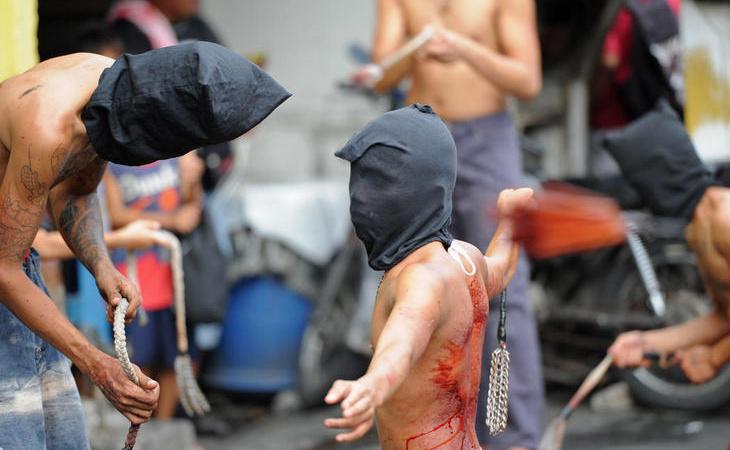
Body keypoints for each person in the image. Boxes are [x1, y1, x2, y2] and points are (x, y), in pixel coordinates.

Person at [0, 41, 289, 448]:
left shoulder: (109, 92)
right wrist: (97, 366)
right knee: (16, 431)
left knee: (58, 431)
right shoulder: (49, 126)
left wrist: (101, 265)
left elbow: (75, 191)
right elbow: (4, 269)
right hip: (7, 270)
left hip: (14, 265)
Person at [355, 1, 544, 448]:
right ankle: (433, 431)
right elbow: (381, 73)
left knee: (503, 290)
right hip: (420, 143)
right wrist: (415, 50)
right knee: (412, 279)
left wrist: (463, 48)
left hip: (486, 136)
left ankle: (515, 438)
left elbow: (528, 81)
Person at [323, 104, 533, 448]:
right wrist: (510, 223)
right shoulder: (464, 259)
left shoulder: (420, 280)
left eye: (373, 182)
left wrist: (373, 383)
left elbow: (402, 343)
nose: (359, 198)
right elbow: (501, 269)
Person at [103, 151, 203, 420]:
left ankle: (165, 426)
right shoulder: (111, 160)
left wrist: (193, 182)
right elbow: (115, 214)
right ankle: (141, 429)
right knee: (138, 360)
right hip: (133, 275)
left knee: (180, 355)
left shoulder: (178, 153)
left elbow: (192, 209)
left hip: (177, 279)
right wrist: (169, 222)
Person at [610, 186, 730, 382]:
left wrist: (714, 357)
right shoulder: (703, 222)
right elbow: (725, 318)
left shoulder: (722, 215)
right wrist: (649, 343)